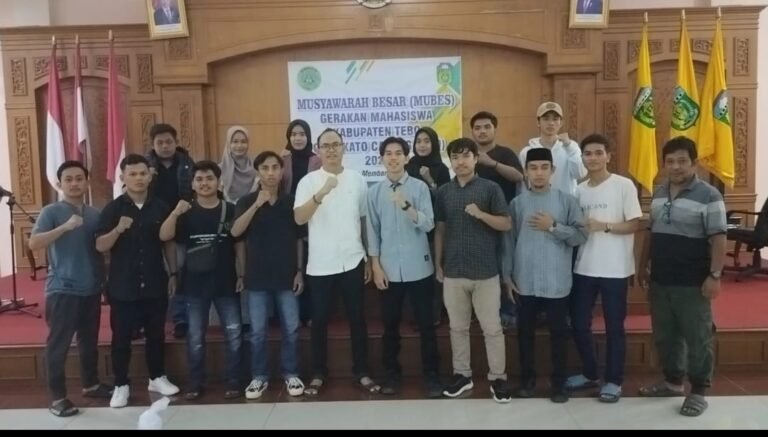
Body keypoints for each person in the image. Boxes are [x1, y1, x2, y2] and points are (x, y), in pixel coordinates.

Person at [637, 137, 727, 417]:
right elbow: (651, 233)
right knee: (666, 335)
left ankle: (698, 390)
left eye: (682, 161)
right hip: (660, 279)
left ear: (694, 163)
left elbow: (719, 238)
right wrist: (642, 266)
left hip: (693, 282)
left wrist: (715, 275)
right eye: (670, 161)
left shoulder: (709, 195)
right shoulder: (659, 192)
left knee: (697, 337)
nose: (676, 166)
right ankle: (672, 382)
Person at [294, 128, 379, 396]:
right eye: (326, 145)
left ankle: (362, 372)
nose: (331, 149)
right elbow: (299, 218)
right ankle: (318, 373)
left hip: (353, 259)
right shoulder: (308, 181)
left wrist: (368, 258)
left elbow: (363, 220)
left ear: (344, 147)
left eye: (336, 144)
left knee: (357, 318)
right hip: (320, 263)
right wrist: (321, 193)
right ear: (317, 150)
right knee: (319, 320)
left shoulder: (357, 179)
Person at [502, 147, 587, 404]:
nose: (538, 173)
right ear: (526, 171)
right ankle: (527, 382)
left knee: (559, 334)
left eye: (544, 168)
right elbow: (508, 242)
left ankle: (559, 384)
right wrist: (507, 276)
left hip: (556, 281)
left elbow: (580, 236)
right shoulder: (517, 204)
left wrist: (553, 226)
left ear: (553, 170)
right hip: (524, 281)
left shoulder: (567, 201)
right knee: (524, 334)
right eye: (533, 168)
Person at [96, 154, 180, 408]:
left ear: (150, 175)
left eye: (143, 173)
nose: (138, 178)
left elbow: (168, 243)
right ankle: (121, 384)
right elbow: (100, 245)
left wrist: (173, 273)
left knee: (156, 334)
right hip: (123, 285)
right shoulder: (113, 209)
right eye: (132, 174)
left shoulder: (160, 207)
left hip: (155, 281)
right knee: (121, 338)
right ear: (123, 177)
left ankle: (157, 377)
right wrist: (117, 229)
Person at [29, 161, 112, 417]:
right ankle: (57, 398)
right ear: (60, 183)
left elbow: (100, 251)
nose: (74, 183)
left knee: (89, 341)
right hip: (62, 289)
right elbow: (34, 243)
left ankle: (91, 384)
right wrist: (64, 227)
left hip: (91, 288)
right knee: (59, 344)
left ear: (86, 182)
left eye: (79, 178)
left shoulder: (95, 214)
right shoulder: (51, 211)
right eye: (68, 179)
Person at [435, 137, 513, 403]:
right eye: (455, 157)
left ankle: (498, 378)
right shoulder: (444, 192)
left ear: (476, 158)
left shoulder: (490, 188)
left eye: (466, 156)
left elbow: (506, 223)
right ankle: (462, 375)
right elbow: (441, 229)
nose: (461, 161)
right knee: (457, 328)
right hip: (454, 271)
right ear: (450, 161)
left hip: (485, 272)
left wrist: (481, 214)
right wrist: (438, 263)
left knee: (492, 328)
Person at [565, 134, 642, 403]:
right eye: (588, 154)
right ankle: (589, 373)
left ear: (608, 156)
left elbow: (634, 224)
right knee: (579, 323)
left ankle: (613, 380)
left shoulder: (623, 185)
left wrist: (605, 226)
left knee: (614, 327)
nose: (593, 158)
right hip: (584, 267)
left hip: (615, 270)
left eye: (599, 153)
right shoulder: (579, 190)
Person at [159, 160, 244, 400]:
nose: (204, 183)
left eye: (209, 178)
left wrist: (242, 273)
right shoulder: (186, 212)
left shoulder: (230, 209)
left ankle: (234, 380)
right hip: (194, 283)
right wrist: (175, 212)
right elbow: (165, 236)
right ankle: (196, 381)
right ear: (193, 185)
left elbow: (239, 245)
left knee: (234, 333)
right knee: (195, 336)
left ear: (219, 182)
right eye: (199, 179)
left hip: (226, 280)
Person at [367, 137, 442, 398]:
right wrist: (375, 265)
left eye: (398, 153)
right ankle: (391, 374)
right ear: (382, 159)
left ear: (406, 158)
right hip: (388, 270)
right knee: (390, 326)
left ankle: (432, 375)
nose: (393, 158)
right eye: (388, 153)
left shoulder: (419, 188)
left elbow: (429, 224)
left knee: (426, 325)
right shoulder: (374, 192)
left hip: (419, 268)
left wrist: (407, 206)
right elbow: (372, 231)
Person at [232, 151, 307, 400]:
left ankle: (291, 373)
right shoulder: (246, 201)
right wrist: (257, 204)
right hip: (257, 277)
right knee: (257, 332)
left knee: (291, 329)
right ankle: (259, 377)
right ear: (258, 172)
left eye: (275, 167)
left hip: (287, 276)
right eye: (265, 168)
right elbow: (235, 232)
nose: (271, 172)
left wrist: (299, 272)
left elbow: (299, 239)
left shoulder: (291, 201)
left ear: (282, 171)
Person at [145, 123, 195, 339]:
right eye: (160, 143)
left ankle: (180, 318)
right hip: (151, 225)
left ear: (176, 142)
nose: (165, 146)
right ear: (153, 144)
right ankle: (147, 319)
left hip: (182, 225)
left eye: (169, 142)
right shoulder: (145, 167)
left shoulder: (188, 165)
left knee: (179, 271)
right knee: (153, 272)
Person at [405, 126, 451, 327]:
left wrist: (430, 180)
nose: (422, 145)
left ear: (434, 144)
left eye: (426, 141)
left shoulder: (441, 169)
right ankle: (417, 314)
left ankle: (434, 315)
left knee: (434, 272)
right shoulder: (408, 167)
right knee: (415, 274)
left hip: (434, 230)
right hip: (410, 228)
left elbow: (445, 199)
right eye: (418, 141)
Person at [280, 119, 322, 327]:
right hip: (287, 218)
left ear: (308, 137)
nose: (298, 138)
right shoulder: (282, 159)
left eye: (302, 134)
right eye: (294, 134)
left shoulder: (317, 160)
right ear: (289, 137)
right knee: (291, 264)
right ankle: (291, 314)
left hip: (311, 217)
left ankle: (311, 313)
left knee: (309, 264)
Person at [519, 102, 586, 196]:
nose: (551, 123)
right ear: (538, 122)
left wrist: (569, 147)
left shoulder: (572, 147)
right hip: (537, 202)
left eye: (555, 119)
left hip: (566, 202)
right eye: (546, 119)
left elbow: (580, 174)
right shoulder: (527, 152)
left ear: (561, 123)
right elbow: (524, 182)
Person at [470, 111, 524, 204]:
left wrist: (493, 163)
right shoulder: (468, 155)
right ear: (472, 132)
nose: (482, 131)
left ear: (495, 129)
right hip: (475, 208)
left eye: (487, 127)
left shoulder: (506, 153)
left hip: (503, 208)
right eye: (477, 128)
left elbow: (519, 176)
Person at [219, 126, 258, 203]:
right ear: (229, 143)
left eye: (243, 142)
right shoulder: (219, 169)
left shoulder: (256, 167)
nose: (239, 146)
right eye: (235, 141)